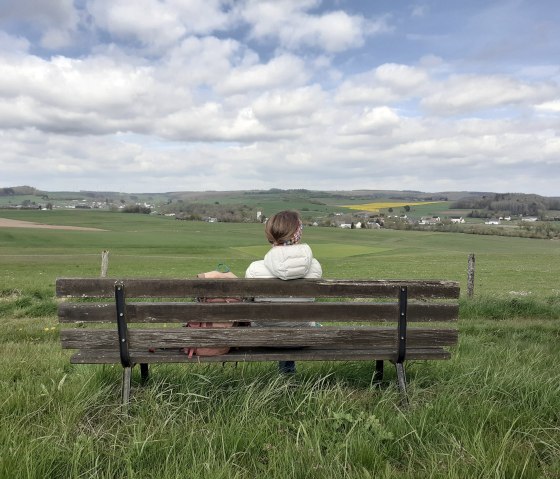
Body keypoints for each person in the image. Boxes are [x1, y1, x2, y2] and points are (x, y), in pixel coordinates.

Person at [245, 210, 322, 373]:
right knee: (299, 320)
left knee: (279, 320)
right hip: (302, 336)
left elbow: (247, 304)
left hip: (264, 337)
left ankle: (286, 375)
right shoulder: (315, 267)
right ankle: (287, 374)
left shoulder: (254, 269)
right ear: (298, 234)